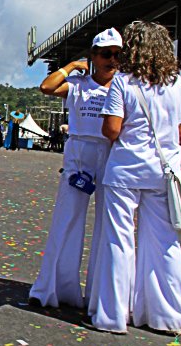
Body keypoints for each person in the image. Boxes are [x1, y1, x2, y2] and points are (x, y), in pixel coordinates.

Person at [86, 20, 181, 335]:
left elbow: (112, 129)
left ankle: (113, 316)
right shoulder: (178, 85)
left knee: (119, 242)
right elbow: (180, 132)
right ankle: (166, 315)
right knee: (163, 241)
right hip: (162, 172)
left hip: (125, 171)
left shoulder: (123, 83)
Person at [28, 28, 121, 310]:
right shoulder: (79, 85)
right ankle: (54, 288)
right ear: (93, 56)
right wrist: (69, 67)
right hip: (80, 154)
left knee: (108, 227)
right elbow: (46, 87)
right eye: (106, 54)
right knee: (66, 221)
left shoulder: (124, 86)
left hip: (110, 152)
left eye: (117, 55)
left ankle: (100, 294)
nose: (112, 60)